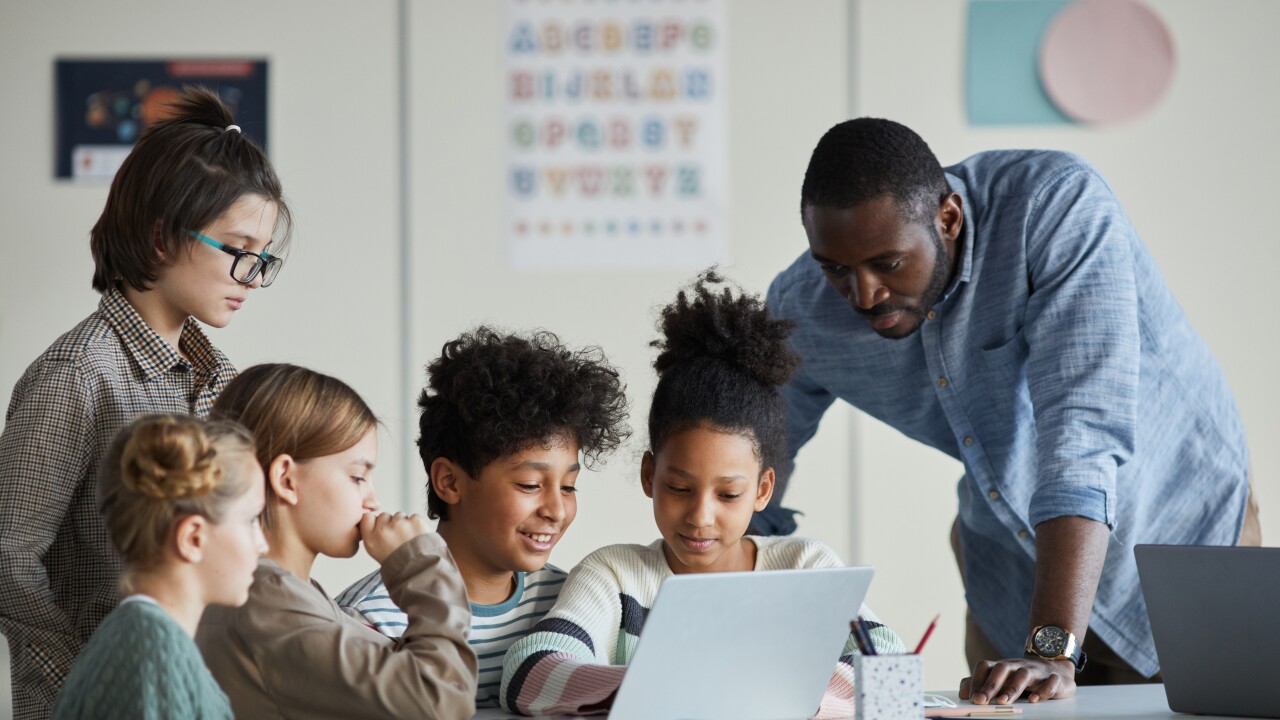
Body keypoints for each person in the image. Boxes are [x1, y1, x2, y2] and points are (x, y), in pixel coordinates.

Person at [765, 117, 1258, 704]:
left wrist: (1050, 651)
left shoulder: (1053, 207)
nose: (863, 294)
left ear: (948, 218)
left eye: (888, 263)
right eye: (835, 269)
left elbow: (1080, 439)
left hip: (1180, 542)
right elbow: (748, 467)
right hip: (1008, 577)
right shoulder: (802, 309)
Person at [0, 85, 290, 719]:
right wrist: (91, 677)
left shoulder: (219, 378)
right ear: (161, 238)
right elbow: (8, 556)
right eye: (239, 251)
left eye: (263, 258)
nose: (252, 278)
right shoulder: (78, 376)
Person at [500, 270, 904, 718]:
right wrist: (671, 685)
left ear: (763, 490)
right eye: (679, 487)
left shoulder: (807, 570)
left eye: (728, 494)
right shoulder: (616, 577)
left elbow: (892, 672)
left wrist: (773, 697)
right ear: (649, 475)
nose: (700, 516)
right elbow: (529, 672)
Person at [337, 327, 630, 707]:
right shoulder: (370, 619)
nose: (556, 510)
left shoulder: (573, 605)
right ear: (449, 482)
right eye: (529, 485)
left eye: (569, 487)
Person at [196, 363, 477, 719]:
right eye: (358, 477)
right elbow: (441, 700)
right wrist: (420, 565)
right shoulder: (267, 601)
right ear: (286, 479)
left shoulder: (285, 593)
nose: (373, 500)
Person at [53, 414, 267, 720]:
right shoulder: (153, 653)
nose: (262, 545)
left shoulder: (142, 640)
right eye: (252, 520)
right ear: (193, 538)